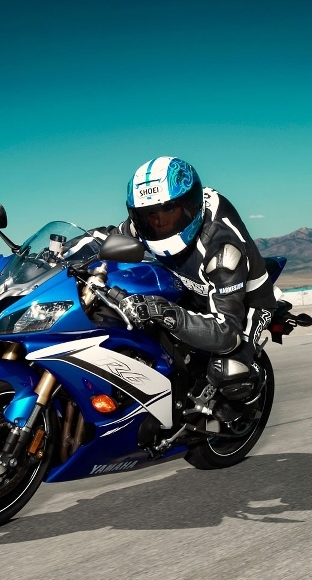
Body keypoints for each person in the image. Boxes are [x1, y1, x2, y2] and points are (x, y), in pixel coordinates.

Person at [106, 156, 277, 422]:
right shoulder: (142, 225)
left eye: (168, 211)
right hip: (191, 286)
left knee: (228, 368)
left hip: (246, 302)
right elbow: (105, 236)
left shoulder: (221, 247)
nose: (158, 221)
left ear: (190, 206)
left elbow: (225, 332)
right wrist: (58, 253)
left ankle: (244, 402)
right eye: (149, 214)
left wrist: (163, 311)